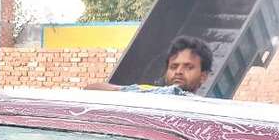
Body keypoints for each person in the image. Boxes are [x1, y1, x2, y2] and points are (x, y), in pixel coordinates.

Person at [85, 36, 213, 96]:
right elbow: (91, 89)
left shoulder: (204, 111)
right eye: (173, 67)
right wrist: (130, 91)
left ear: (203, 76)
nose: (178, 71)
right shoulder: (150, 94)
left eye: (188, 67)